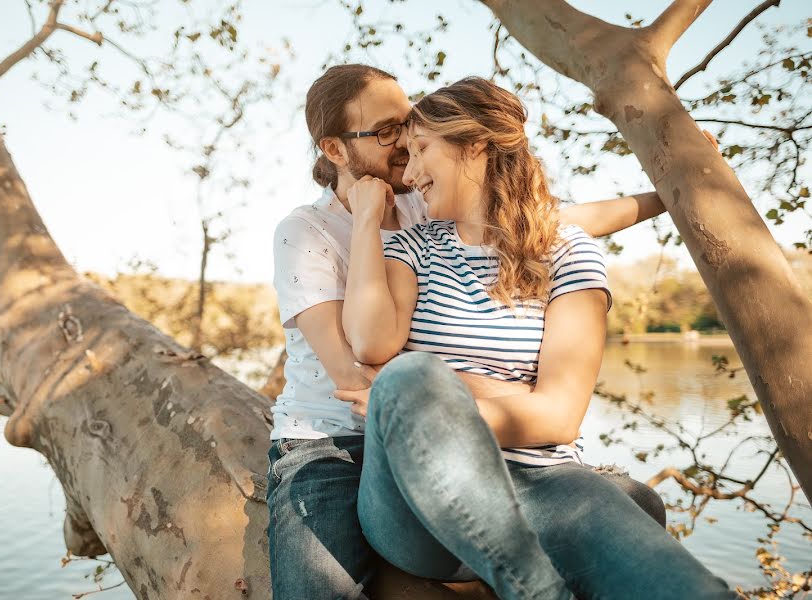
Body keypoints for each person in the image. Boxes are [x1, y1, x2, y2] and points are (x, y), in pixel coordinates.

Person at [269, 64, 668, 600]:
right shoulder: (307, 232)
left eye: (409, 124)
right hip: (337, 439)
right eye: (385, 131)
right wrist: (501, 391)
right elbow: (360, 372)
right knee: (316, 591)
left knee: (637, 503)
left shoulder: (425, 201)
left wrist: (665, 194)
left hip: (448, 439)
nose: (405, 147)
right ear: (335, 150)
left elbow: (548, 221)